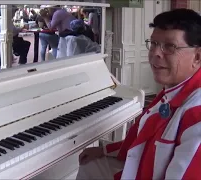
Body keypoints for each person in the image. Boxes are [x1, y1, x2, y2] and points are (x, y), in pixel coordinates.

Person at [76, 8, 201, 180]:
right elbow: (145, 141)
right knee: (90, 165)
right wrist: (105, 150)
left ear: (197, 57)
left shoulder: (196, 114)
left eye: (169, 46)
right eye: (154, 43)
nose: (156, 53)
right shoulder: (174, 90)